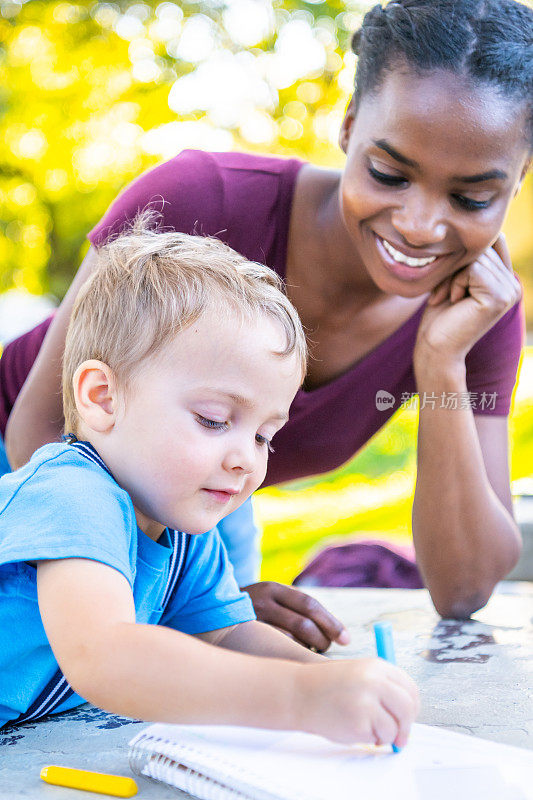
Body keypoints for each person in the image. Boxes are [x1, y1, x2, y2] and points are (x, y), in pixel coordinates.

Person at [1, 0, 532, 638]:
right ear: (348, 125)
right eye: (389, 174)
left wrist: (442, 367)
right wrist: (194, 607)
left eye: (471, 196)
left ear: (520, 179)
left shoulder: (479, 311)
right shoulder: (205, 199)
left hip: (192, 514)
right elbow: (39, 436)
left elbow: (464, 587)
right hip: (35, 476)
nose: (419, 225)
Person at [0, 223, 419, 742]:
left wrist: (338, 681)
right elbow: (104, 656)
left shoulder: (181, 533)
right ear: (104, 398)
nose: (246, 458)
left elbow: (226, 635)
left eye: (265, 435)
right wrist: (300, 699)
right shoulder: (71, 494)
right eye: (215, 420)